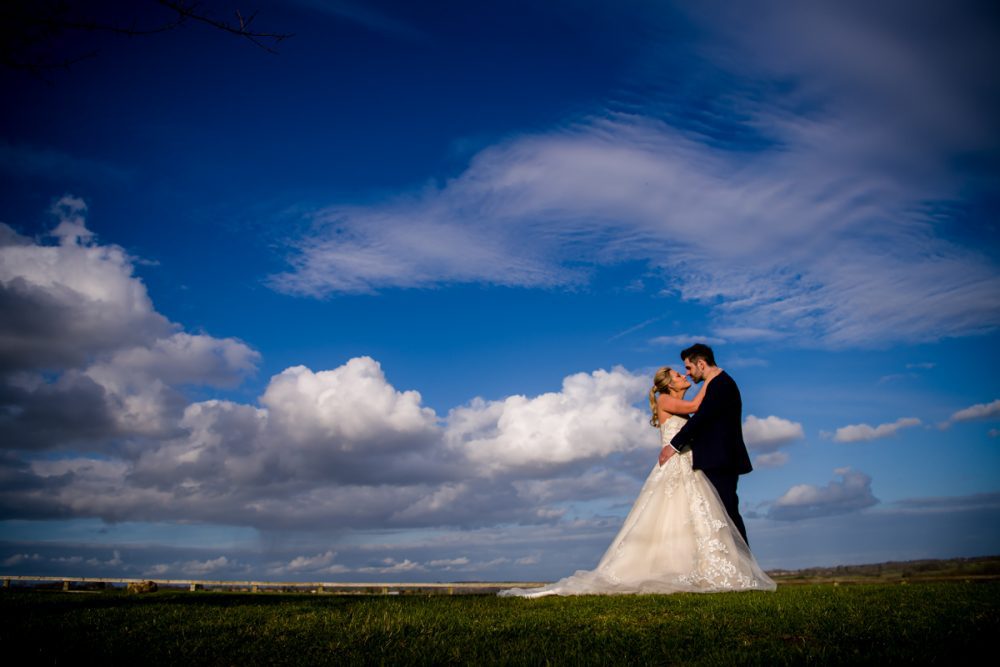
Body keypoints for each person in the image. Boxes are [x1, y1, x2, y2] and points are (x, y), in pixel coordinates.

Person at [499, 357, 774, 597]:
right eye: (680, 374)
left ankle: (701, 568)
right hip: (675, 465)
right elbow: (697, 408)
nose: (685, 375)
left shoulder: (675, 399)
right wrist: (713, 377)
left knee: (693, 518)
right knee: (670, 516)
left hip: (689, 465)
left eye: (686, 370)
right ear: (669, 384)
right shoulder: (666, 399)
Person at [662, 344, 752, 544]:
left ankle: (745, 567)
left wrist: (673, 445)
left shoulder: (721, 384)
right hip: (715, 459)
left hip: (720, 460)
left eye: (688, 368)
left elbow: (701, 417)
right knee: (720, 515)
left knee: (727, 514)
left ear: (701, 364)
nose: (687, 373)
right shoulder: (716, 382)